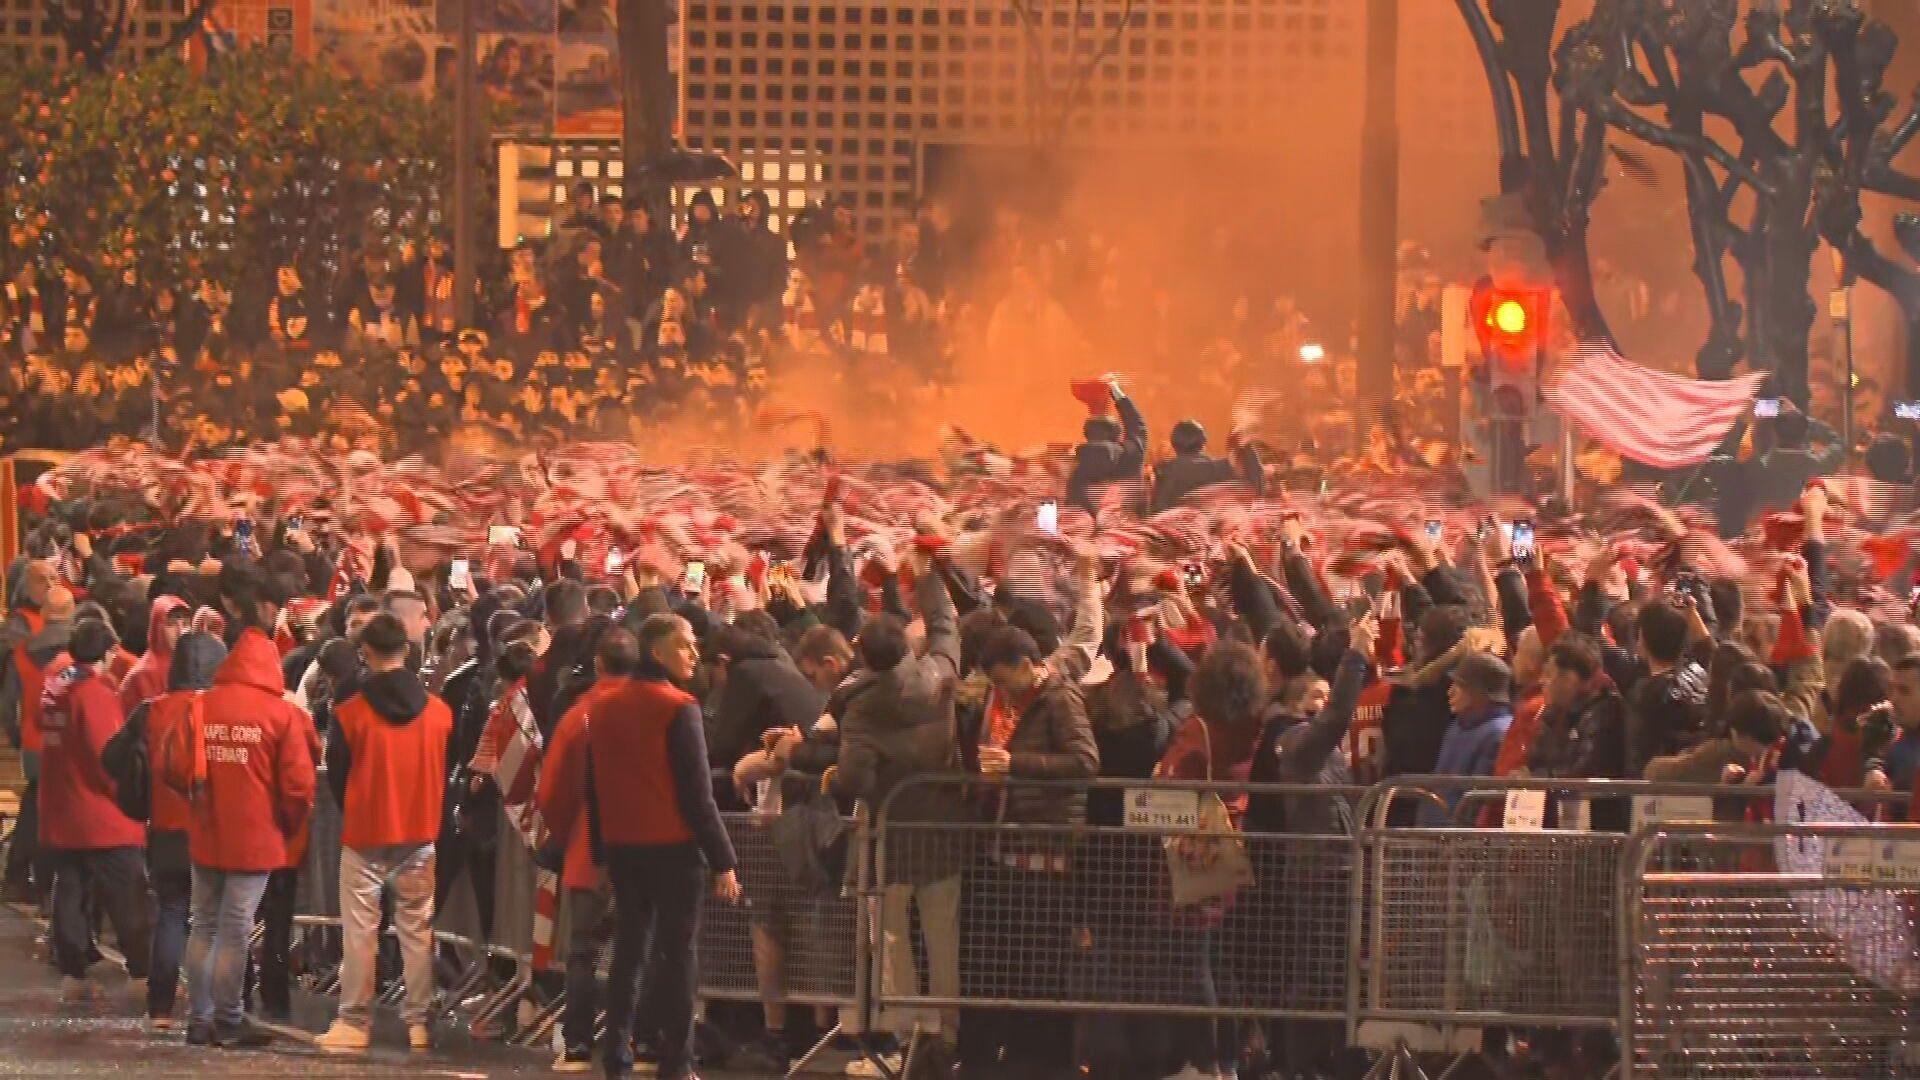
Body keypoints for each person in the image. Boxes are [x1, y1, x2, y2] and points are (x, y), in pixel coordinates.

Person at [542, 613, 739, 1080]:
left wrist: (600, 852)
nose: (694, 654)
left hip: (623, 847)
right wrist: (723, 860)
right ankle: (676, 1060)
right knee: (678, 958)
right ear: (657, 651)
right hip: (674, 849)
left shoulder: (601, 706)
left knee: (628, 955)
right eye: (685, 644)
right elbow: (697, 796)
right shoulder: (679, 707)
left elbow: (595, 785)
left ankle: (616, 1054)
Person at [822, 553, 966, 1070]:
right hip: (943, 827)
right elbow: (946, 626)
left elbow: (855, 779)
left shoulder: (861, 705)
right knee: (943, 938)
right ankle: (946, 1036)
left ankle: (904, 1040)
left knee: (892, 939)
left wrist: (830, 772)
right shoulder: (939, 672)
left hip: (888, 837)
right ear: (907, 646)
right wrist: (925, 576)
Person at [163, 562, 315, 1048]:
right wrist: (287, 825)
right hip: (257, 834)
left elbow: (173, 765)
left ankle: (200, 1018)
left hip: (207, 829)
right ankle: (229, 1019)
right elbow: (299, 786)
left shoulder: (201, 705)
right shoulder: (281, 714)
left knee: (203, 924)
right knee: (236, 927)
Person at [316, 612, 453, 1054]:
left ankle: (355, 1022)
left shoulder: (350, 714)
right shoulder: (440, 714)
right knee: (417, 931)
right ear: (407, 651)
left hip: (366, 833)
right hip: (420, 834)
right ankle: (419, 1025)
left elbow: (338, 774)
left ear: (366, 653)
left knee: (360, 933)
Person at [537, 627, 640, 1073]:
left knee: (583, 953)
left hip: (588, 851)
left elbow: (551, 791)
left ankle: (578, 1045)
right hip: (646, 852)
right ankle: (639, 1042)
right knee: (641, 951)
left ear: (598, 664)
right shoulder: (662, 711)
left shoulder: (578, 716)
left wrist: (566, 832)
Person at [39, 617, 153, 1005]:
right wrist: (132, 798)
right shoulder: (95, 694)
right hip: (101, 817)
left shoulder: (56, 685)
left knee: (70, 891)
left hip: (62, 809)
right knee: (129, 895)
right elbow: (108, 759)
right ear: (106, 653)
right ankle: (143, 973)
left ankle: (73, 973)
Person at [130, 630, 226, 1029]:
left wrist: (138, 802)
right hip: (214, 828)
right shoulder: (223, 710)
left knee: (170, 912)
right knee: (217, 920)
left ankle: (161, 1008)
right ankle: (221, 1007)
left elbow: (115, 756)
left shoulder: (150, 711)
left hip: (166, 827)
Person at [0, 580, 75, 904]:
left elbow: (7, 705)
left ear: (43, 613)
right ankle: (48, 886)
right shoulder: (80, 652)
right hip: (70, 745)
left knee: (34, 806)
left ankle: (18, 877)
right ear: (72, 612)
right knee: (62, 814)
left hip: (34, 744)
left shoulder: (21, 653)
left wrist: (20, 737)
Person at [1065, 379, 1148, 514]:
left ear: (1087, 434)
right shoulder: (1131, 455)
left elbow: (1072, 506)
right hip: (1129, 523)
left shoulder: (1076, 469)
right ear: (1117, 433)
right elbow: (1136, 424)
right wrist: (1116, 391)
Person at [1149, 419, 1264, 513]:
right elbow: (1254, 488)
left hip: (1170, 529)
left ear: (1174, 444)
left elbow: (1157, 509)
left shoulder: (1164, 470)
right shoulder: (1222, 468)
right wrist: (1245, 447)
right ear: (1203, 443)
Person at [118, 593, 190, 712]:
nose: (180, 631)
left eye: (185, 624)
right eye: (171, 624)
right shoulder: (142, 675)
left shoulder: (191, 664)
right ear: (158, 628)